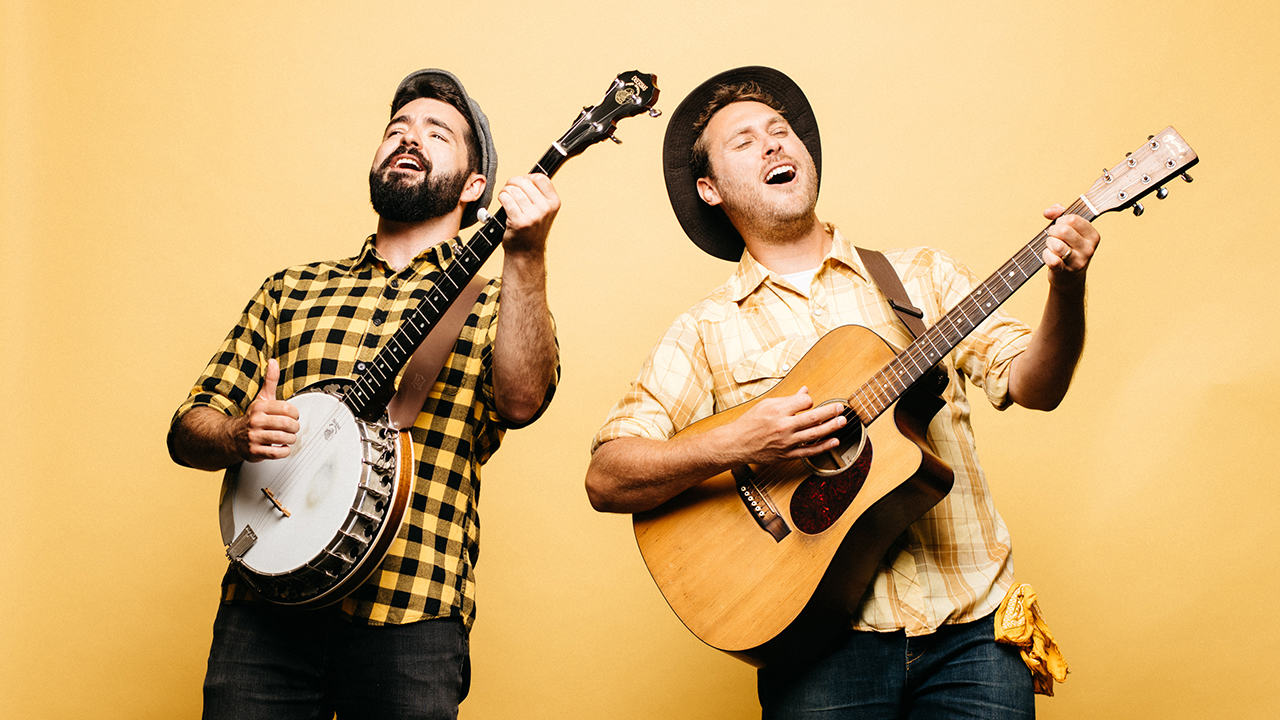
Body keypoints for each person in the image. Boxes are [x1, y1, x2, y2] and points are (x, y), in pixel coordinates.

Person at [585, 66, 1096, 718]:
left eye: (780, 130)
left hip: (975, 636)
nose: (773, 144)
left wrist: (1067, 287)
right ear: (709, 190)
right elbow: (608, 478)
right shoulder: (703, 331)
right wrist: (739, 442)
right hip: (817, 647)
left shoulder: (920, 277)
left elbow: (1035, 385)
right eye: (744, 141)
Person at [168, 68, 560, 720]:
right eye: (396, 129)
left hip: (412, 614)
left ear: (475, 186)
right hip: (264, 610)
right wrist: (236, 434)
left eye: (437, 133)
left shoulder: (499, 301)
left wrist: (526, 257)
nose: (409, 138)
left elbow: (522, 402)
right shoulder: (291, 289)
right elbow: (189, 428)